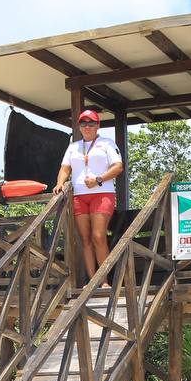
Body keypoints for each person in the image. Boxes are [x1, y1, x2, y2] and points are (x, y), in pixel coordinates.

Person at [54, 109, 124, 282]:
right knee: (85, 239)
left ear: (98, 125)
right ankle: (93, 282)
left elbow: (118, 167)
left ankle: (105, 281)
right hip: (79, 195)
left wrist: (98, 179)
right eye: (83, 123)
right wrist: (60, 183)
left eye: (91, 123)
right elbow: (65, 168)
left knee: (98, 236)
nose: (87, 127)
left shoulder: (107, 143)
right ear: (79, 126)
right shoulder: (73, 146)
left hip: (102, 193)